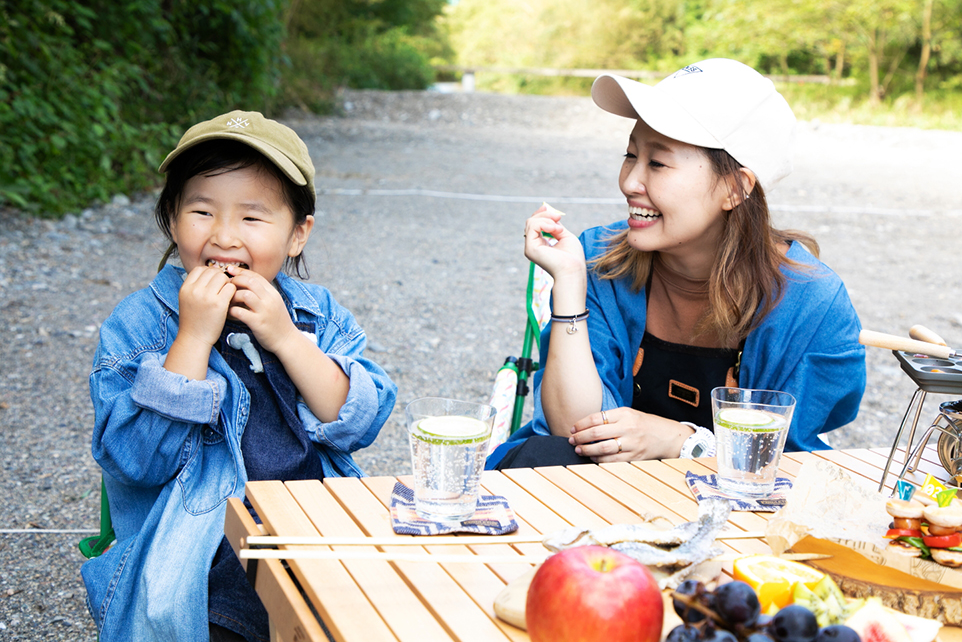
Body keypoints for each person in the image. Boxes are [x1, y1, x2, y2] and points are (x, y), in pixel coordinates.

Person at [81, 111, 397, 641]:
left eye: (252, 218)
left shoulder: (316, 314)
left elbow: (358, 422)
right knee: (240, 585)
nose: (224, 235)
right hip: (202, 533)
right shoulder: (137, 325)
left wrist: (287, 339)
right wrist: (191, 339)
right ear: (172, 220)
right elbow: (136, 462)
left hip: (312, 508)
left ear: (298, 234)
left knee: (382, 585)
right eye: (201, 211)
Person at [486, 58, 865, 470]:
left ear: (736, 188)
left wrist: (681, 441)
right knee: (542, 457)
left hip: (735, 512)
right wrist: (570, 283)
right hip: (604, 487)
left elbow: (785, 462)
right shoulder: (599, 258)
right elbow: (575, 430)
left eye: (658, 164)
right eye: (631, 154)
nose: (630, 182)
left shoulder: (810, 303)